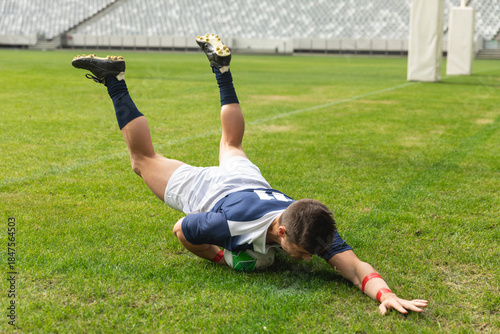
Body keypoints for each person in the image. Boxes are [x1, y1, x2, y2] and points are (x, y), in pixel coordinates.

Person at [71, 34, 428, 315]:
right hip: (212, 192)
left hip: (254, 186)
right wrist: (223, 257)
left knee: (232, 142)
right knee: (143, 159)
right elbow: (182, 230)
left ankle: (222, 69)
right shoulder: (231, 229)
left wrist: (386, 293)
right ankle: (114, 79)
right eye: (301, 253)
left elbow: (354, 268)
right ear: (282, 231)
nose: (305, 259)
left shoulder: (308, 224)